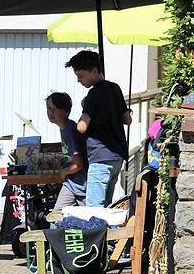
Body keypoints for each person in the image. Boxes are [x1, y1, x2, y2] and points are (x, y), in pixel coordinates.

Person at [65, 50, 132, 207]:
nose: (79, 81)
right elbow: (127, 119)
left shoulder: (93, 94)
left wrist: (83, 112)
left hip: (100, 156)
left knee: (95, 206)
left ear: (94, 71)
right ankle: (106, 232)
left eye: (81, 76)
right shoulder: (115, 88)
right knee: (108, 206)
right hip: (117, 155)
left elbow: (82, 127)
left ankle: (96, 232)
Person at [45, 92, 87, 209]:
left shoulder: (70, 130)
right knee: (56, 217)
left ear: (66, 111)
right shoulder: (65, 129)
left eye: (55, 108)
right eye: (49, 108)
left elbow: (78, 164)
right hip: (71, 184)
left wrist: (63, 172)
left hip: (81, 186)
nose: (51, 112)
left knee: (88, 220)